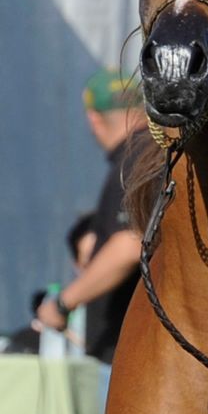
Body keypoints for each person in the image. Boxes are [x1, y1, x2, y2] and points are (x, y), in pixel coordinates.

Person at [35, 67, 149, 385]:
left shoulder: (134, 159)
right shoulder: (156, 154)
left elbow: (129, 243)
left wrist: (61, 304)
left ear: (94, 119)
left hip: (131, 356)